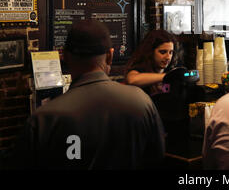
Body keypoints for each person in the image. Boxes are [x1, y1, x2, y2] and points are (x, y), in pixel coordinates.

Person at [5, 19, 165, 169]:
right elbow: (157, 159)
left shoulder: (43, 119)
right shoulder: (142, 102)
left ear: (64, 56)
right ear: (110, 56)